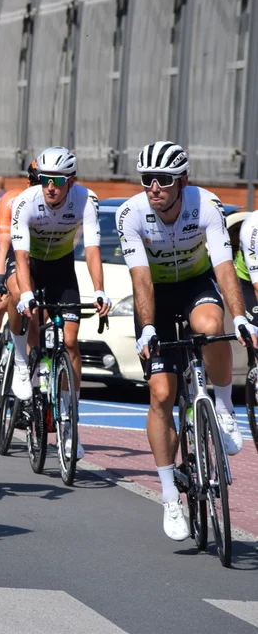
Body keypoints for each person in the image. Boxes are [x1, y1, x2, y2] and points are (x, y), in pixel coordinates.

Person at [118, 141, 254, 541]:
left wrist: (242, 317)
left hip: (195, 283)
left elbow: (223, 265)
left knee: (212, 328)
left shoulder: (207, 205)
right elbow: (140, 279)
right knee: (161, 394)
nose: (154, 187)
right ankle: (169, 496)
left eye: (163, 180)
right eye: (147, 180)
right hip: (156, 295)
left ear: (184, 181)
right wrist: (146, 328)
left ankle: (225, 409)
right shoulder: (131, 215)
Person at [8, 146, 111, 459]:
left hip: (62, 268)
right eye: (45, 179)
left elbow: (92, 249)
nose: (50, 186)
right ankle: (23, 364)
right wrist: (27, 293)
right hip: (32, 267)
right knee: (19, 298)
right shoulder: (26, 202)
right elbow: (21, 256)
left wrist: (99, 289)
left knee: (69, 342)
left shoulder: (85, 200)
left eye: (58, 180)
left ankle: (69, 423)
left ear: (72, 180)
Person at [0, 161, 39, 381]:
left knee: (34, 313)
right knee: (0, 302)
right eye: (36, 182)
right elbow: (3, 245)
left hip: (34, 254)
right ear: (28, 182)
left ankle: (33, 384)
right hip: (9, 248)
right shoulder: (11, 199)